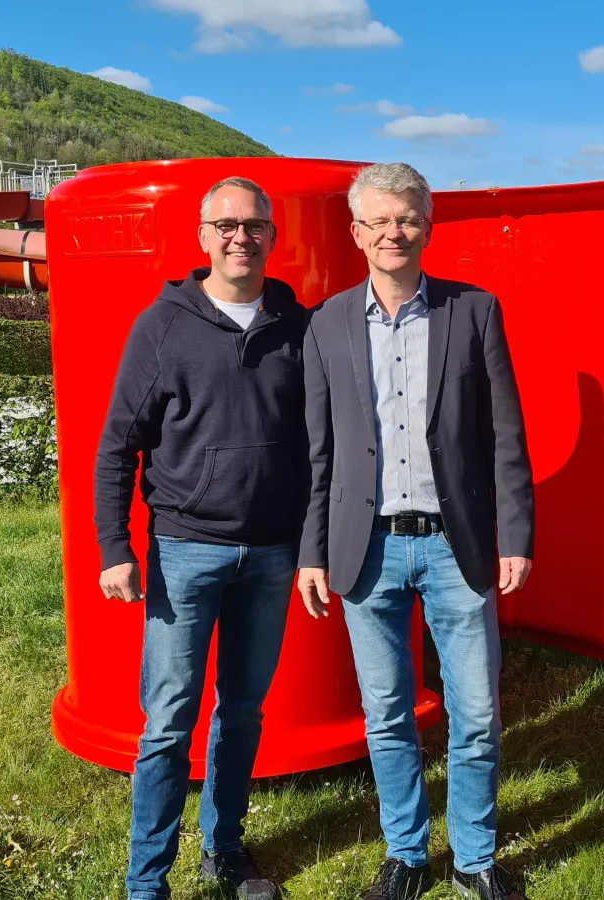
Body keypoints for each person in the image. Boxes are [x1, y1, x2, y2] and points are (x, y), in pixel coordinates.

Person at [296, 163, 535, 900]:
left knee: (478, 712)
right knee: (387, 712)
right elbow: (319, 451)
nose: (393, 233)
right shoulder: (327, 323)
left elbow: (505, 436)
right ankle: (406, 853)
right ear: (356, 233)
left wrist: (515, 534)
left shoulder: (475, 312)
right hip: (363, 549)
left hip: (454, 546)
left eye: (406, 219)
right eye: (378, 221)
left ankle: (474, 858)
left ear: (426, 227)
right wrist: (310, 552)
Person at [96, 176, 307, 900]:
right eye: (225, 224)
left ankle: (224, 848)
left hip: (274, 553)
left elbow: (321, 445)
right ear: (202, 236)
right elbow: (119, 444)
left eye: (253, 225)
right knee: (168, 720)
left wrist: (312, 544)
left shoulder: (296, 326)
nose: (239, 237)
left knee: (243, 710)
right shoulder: (163, 325)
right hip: (184, 549)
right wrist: (114, 547)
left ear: (272, 237)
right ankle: (145, 881)